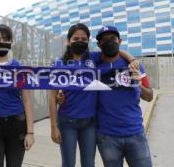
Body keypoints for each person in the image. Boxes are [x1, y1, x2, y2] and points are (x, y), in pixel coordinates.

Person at [49, 23, 139, 167]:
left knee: (89, 163)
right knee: (68, 163)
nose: (80, 41)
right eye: (76, 38)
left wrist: (131, 59)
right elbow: (52, 97)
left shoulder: (93, 58)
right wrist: (53, 127)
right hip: (67, 122)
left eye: (84, 39)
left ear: (88, 41)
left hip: (89, 123)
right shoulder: (59, 63)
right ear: (68, 41)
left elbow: (115, 52)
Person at [95, 25, 153, 167]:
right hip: (107, 136)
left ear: (119, 41)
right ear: (99, 44)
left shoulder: (135, 66)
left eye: (113, 38)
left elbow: (149, 96)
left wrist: (139, 84)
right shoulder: (94, 68)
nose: (109, 42)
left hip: (135, 133)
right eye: (104, 40)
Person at [0, 24, 35, 167]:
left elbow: (27, 100)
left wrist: (30, 132)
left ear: (11, 42)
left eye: (5, 39)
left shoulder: (19, 68)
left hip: (16, 124)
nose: (1, 41)